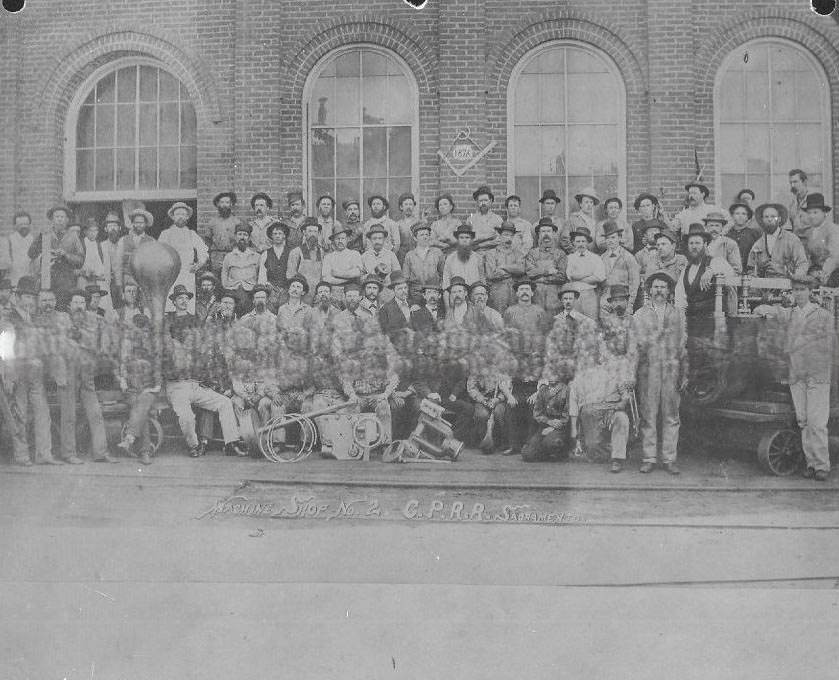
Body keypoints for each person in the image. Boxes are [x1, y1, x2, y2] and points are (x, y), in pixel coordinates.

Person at [163, 291, 249, 458]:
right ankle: (194, 445)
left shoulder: (196, 348)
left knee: (224, 402)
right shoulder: (170, 347)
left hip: (195, 385)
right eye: (186, 332)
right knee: (186, 416)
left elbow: (209, 364)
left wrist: (208, 381)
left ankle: (231, 442)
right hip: (177, 387)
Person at [633, 271, 688, 474]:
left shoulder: (678, 314)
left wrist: (684, 373)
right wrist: (632, 374)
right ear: (649, 290)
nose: (659, 291)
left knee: (671, 416)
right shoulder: (640, 315)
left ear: (669, 291)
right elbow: (635, 347)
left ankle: (669, 459)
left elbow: (683, 346)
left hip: (671, 372)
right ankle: (648, 458)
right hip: (649, 372)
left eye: (663, 287)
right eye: (655, 287)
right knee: (648, 415)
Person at [786, 275, 834, 481]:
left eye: (802, 290)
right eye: (795, 290)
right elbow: (787, 344)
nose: (798, 294)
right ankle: (811, 464)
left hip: (817, 374)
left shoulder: (823, 315)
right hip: (797, 374)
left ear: (810, 292)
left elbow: (829, 345)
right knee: (803, 420)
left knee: (817, 422)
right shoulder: (791, 315)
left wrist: (804, 342)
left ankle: (822, 465)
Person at [6, 276, 57, 466]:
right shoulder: (9, 319)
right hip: (18, 373)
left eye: (32, 297)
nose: (29, 301)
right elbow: (6, 350)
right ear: (18, 298)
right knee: (20, 414)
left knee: (43, 414)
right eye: (26, 297)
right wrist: (9, 377)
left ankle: (44, 454)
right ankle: (22, 456)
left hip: (35, 374)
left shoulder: (34, 318)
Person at [61, 288, 117, 463]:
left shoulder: (94, 320)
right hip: (67, 372)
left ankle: (101, 452)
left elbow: (104, 340)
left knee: (95, 413)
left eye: (82, 303)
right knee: (68, 415)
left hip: (87, 372)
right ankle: (68, 454)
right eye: (76, 302)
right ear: (69, 305)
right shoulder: (61, 320)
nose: (79, 306)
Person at [502, 278, 550, 456]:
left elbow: (545, 335)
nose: (523, 292)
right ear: (516, 293)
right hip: (515, 359)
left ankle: (529, 444)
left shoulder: (539, 312)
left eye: (527, 289)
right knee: (513, 404)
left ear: (531, 293)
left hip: (534, 358)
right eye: (521, 289)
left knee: (533, 404)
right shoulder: (509, 312)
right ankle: (513, 445)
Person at [115, 313, 161, 465]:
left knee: (142, 404)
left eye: (143, 330)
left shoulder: (152, 351)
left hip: (149, 391)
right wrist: (122, 380)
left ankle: (131, 438)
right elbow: (121, 369)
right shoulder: (127, 350)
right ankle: (145, 452)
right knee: (141, 410)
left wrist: (155, 387)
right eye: (135, 330)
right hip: (132, 391)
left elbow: (158, 372)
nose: (139, 334)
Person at [158, 202, 208, 314]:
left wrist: (199, 264)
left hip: (187, 273)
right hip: (170, 274)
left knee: (187, 302)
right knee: (170, 303)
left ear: (187, 217)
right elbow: (158, 253)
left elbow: (203, 250)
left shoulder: (191, 234)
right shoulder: (166, 234)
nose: (180, 216)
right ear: (173, 217)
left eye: (183, 214)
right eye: (177, 214)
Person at [28, 205, 84, 305]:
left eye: (62, 217)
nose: (59, 220)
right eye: (57, 217)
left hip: (67, 280)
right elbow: (31, 253)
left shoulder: (73, 236)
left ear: (67, 220)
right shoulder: (44, 234)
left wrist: (66, 255)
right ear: (52, 219)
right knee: (47, 305)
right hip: (47, 279)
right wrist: (43, 248)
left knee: (64, 305)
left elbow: (80, 260)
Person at [521, 366, 571, 463]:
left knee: (551, 443)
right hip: (544, 426)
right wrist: (548, 422)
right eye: (549, 375)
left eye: (554, 375)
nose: (551, 377)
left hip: (560, 428)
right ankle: (545, 453)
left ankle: (561, 452)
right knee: (527, 454)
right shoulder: (543, 390)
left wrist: (553, 427)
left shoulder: (566, 390)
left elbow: (567, 415)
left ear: (560, 376)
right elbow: (537, 413)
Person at [747, 203, 809, 279]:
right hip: (764, 287)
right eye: (766, 217)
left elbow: (802, 264)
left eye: (773, 216)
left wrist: (794, 279)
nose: (769, 219)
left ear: (779, 219)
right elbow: (751, 268)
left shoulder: (792, 239)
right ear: (762, 220)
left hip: (787, 286)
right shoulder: (758, 244)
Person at [466, 364, 515, 454]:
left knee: (499, 413)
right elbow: (471, 388)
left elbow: (508, 386)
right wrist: (481, 399)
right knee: (482, 415)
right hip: (481, 399)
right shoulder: (477, 368)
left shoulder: (502, 368)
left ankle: (502, 442)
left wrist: (497, 399)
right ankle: (485, 442)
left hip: (498, 400)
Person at [525, 217, 568, 316]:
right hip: (537, 297)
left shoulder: (560, 254)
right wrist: (547, 271)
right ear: (539, 234)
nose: (546, 234)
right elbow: (530, 273)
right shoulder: (532, 253)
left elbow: (561, 277)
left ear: (553, 234)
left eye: (549, 231)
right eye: (543, 231)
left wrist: (539, 278)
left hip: (554, 297)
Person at [565, 225, 606, 319]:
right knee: (574, 322)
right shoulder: (569, 258)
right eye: (578, 241)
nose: (581, 244)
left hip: (590, 294)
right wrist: (589, 274)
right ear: (573, 243)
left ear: (587, 242)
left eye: (583, 241)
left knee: (591, 322)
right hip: (574, 295)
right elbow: (570, 275)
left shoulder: (596, 258)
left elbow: (599, 277)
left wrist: (578, 278)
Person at [484, 221, 525, 313]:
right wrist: (512, 271)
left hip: (514, 291)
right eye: (506, 235)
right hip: (497, 291)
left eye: (511, 236)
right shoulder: (491, 253)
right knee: (498, 318)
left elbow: (521, 269)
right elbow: (491, 275)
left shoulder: (518, 253)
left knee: (514, 317)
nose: (508, 238)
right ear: (500, 236)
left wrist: (503, 267)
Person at [599, 221, 640, 312]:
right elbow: (599, 284)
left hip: (622, 299)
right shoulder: (601, 258)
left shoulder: (628, 257)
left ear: (619, 237)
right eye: (608, 238)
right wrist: (601, 300)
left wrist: (630, 304)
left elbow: (634, 283)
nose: (610, 241)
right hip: (606, 301)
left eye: (613, 237)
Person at [220, 222, 260, 314]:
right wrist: (227, 290)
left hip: (250, 292)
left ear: (249, 238)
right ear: (235, 237)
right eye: (240, 234)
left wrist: (255, 291)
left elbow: (259, 275)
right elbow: (224, 275)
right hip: (233, 292)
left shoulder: (256, 256)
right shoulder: (228, 257)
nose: (242, 237)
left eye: (245, 235)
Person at [114, 208, 155, 296]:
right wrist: (119, 285)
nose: (139, 225)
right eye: (136, 222)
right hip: (127, 278)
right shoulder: (123, 240)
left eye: (141, 222)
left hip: (145, 280)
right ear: (132, 223)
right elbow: (118, 264)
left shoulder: (151, 241)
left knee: (145, 306)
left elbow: (154, 265)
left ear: (145, 224)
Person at [202, 191, 243, 276]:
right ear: (218, 204)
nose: (224, 205)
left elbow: (241, 241)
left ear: (231, 205)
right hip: (216, 257)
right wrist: (209, 257)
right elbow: (207, 241)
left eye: (227, 202)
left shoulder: (237, 222)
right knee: (216, 281)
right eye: (222, 202)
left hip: (232, 256)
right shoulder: (212, 222)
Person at [402, 222, 444, 303]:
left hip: (433, 295)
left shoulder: (437, 253)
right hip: (416, 295)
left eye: (427, 235)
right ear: (415, 238)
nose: (425, 237)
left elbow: (443, 275)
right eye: (422, 235)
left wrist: (439, 290)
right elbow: (405, 279)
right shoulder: (410, 255)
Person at [442, 224, 485, 302]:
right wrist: (448, 308)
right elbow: (446, 285)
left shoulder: (478, 258)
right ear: (457, 240)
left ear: (471, 240)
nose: (464, 240)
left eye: (467, 237)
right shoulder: (450, 258)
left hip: (474, 299)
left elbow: (482, 281)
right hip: (456, 300)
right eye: (461, 237)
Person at [802, 194, 839, 284]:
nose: (812, 216)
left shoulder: (832, 229)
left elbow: (835, 257)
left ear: (824, 213)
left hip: (832, 273)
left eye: (815, 212)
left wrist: (823, 274)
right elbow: (808, 257)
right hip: (815, 273)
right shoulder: (809, 232)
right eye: (809, 213)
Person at [321, 227, 364, 303]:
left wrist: (337, 274)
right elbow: (326, 278)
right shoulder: (328, 257)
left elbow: (357, 272)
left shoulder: (354, 254)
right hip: (334, 293)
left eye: (343, 238)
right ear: (333, 240)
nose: (340, 241)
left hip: (352, 291)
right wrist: (349, 278)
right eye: (337, 239)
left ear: (347, 239)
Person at [256, 221, 292, 311]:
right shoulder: (266, 254)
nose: (277, 236)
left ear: (284, 235)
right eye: (275, 233)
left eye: (280, 233)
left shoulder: (292, 253)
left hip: (287, 290)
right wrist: (266, 289)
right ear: (271, 236)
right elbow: (262, 276)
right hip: (271, 290)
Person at [287, 218, 325, 304]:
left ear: (318, 233)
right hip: (302, 296)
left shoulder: (321, 252)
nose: (313, 234)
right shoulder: (296, 252)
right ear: (304, 232)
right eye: (310, 231)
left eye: (315, 232)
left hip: (317, 296)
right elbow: (290, 275)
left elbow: (323, 275)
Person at [361, 223, 402, 302]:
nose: (377, 241)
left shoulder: (391, 255)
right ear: (370, 240)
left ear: (384, 239)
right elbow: (359, 278)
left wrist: (387, 278)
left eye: (380, 238)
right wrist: (371, 275)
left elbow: (398, 275)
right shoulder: (364, 256)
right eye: (374, 238)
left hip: (387, 293)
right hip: (370, 293)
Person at [562, 188, 599, 253]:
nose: (589, 205)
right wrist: (576, 253)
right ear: (580, 204)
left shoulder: (594, 222)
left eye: (591, 202)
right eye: (586, 202)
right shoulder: (572, 220)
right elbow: (564, 240)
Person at [726, 202, 761, 272]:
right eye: (737, 213)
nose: (740, 216)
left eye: (744, 214)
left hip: (750, 272)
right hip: (731, 271)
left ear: (748, 217)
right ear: (732, 216)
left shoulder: (755, 234)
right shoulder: (727, 234)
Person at [378, 271, 413, 339]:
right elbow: (385, 333)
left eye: (405, 288)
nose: (403, 291)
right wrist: (403, 331)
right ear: (393, 290)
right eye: (399, 289)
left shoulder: (414, 304)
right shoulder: (385, 309)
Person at [466, 185, 502, 251]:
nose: (483, 203)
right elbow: (468, 241)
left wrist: (478, 242)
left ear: (490, 201)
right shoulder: (470, 220)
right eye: (480, 201)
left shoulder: (497, 219)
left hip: (492, 254)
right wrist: (489, 238)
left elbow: (498, 241)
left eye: (485, 200)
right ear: (477, 202)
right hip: (475, 254)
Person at [8, 212, 34, 288]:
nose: (24, 227)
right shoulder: (9, 241)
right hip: (13, 282)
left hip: (30, 283)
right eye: (20, 224)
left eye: (26, 224)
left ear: (30, 225)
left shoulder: (35, 241)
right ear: (14, 226)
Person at [394, 193, 418, 264]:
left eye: (410, 204)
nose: (408, 207)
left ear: (413, 206)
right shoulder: (397, 224)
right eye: (406, 204)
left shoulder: (418, 222)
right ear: (401, 207)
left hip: (415, 254)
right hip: (402, 255)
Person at [788, 169, 810, 238]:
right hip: (797, 243)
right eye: (790, 183)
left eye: (795, 182)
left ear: (805, 182)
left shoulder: (814, 201)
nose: (792, 186)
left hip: (811, 243)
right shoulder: (792, 203)